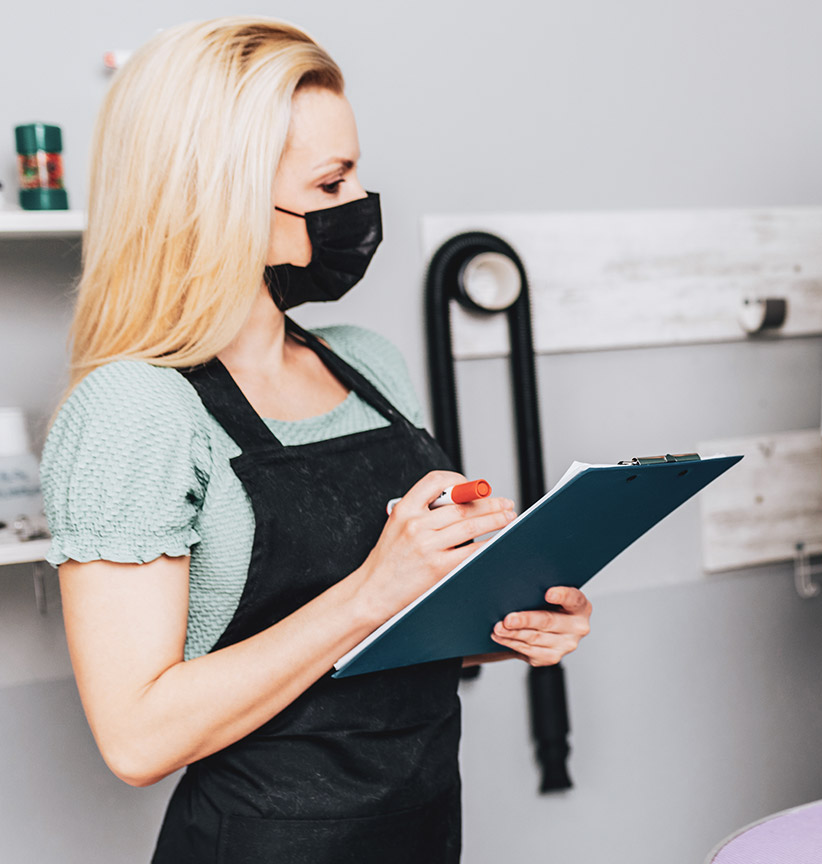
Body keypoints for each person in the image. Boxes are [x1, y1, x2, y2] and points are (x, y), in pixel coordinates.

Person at [40, 18, 591, 862]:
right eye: (331, 183)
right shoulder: (133, 409)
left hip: (422, 820)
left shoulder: (367, 364)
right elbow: (137, 740)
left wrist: (503, 621)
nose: (360, 205)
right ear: (214, 198)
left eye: (356, 174)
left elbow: (394, 628)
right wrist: (374, 588)